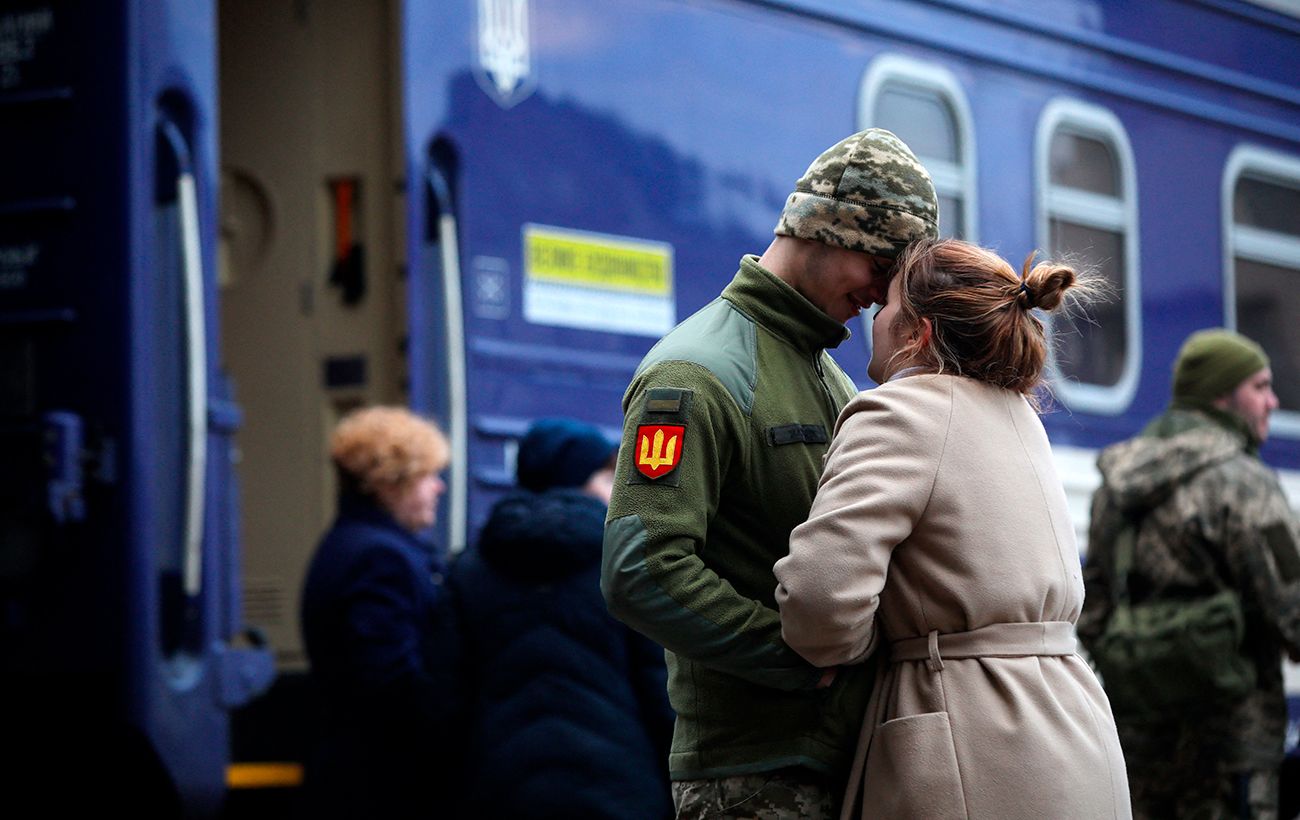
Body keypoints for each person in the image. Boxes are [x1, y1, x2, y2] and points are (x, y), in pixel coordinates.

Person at [602, 128, 939, 818]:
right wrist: (800, 660)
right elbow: (641, 566)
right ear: (824, 230)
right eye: (879, 266)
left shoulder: (828, 375)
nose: (881, 296)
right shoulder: (694, 374)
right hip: (751, 778)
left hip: (839, 759)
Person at [773, 238, 1131, 819]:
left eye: (887, 304)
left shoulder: (900, 412)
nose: (874, 315)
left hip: (969, 735)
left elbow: (818, 605)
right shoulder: (1020, 415)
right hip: (1076, 726)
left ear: (921, 334)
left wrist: (864, 643)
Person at [1077, 328, 1300, 820]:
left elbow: (1091, 612)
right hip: (1230, 748)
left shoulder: (1117, 483)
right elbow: (1293, 612)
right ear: (1221, 394)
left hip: (1137, 745)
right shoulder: (1244, 483)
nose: (1272, 402)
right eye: (1259, 387)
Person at [452, 417, 675, 819]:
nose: (614, 495)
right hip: (618, 788)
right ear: (578, 481)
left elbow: (445, 698)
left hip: (501, 789)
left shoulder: (470, 569)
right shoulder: (624, 562)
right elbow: (660, 688)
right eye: (607, 480)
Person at [299, 406, 460, 819]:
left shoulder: (347, 544)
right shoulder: (380, 558)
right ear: (389, 484)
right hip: (384, 780)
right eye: (427, 476)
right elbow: (390, 683)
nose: (439, 488)